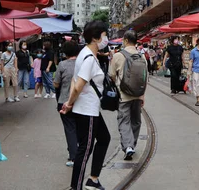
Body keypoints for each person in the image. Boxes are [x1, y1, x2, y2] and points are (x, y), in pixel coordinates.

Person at [60, 21, 111, 190]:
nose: (106, 39)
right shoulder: (88, 57)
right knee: (85, 148)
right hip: (87, 110)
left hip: (91, 108)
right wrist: (69, 103)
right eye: (104, 35)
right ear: (96, 38)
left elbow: (75, 80)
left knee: (104, 138)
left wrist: (69, 103)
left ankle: (93, 179)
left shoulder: (86, 54)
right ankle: (76, 186)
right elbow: (78, 85)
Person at [109, 30, 145, 161]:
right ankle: (132, 144)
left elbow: (111, 75)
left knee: (124, 121)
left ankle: (128, 146)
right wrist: (142, 95)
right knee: (136, 121)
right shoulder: (142, 56)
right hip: (138, 94)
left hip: (123, 95)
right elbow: (144, 78)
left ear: (125, 40)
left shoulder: (118, 56)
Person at [54, 40, 79, 167]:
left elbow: (56, 83)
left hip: (64, 101)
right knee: (80, 128)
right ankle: (79, 153)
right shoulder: (82, 64)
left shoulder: (62, 65)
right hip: (80, 102)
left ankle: (73, 156)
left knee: (70, 129)